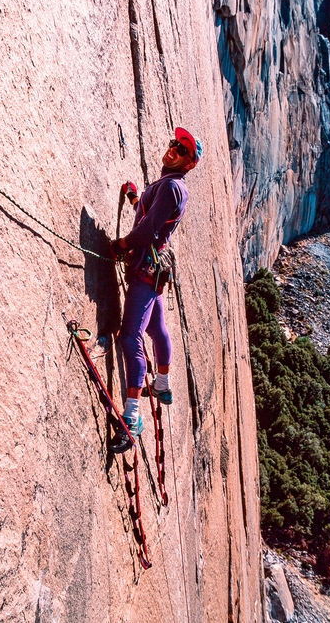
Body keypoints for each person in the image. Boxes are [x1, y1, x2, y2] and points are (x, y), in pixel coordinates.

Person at [109, 128, 203, 454]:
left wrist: (121, 245)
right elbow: (153, 215)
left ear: (190, 164)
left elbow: (148, 230)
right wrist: (136, 197)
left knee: (129, 335)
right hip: (156, 268)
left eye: (183, 149)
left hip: (146, 270)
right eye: (174, 143)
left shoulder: (174, 187)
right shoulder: (170, 185)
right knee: (155, 327)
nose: (174, 148)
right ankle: (162, 385)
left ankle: (132, 418)